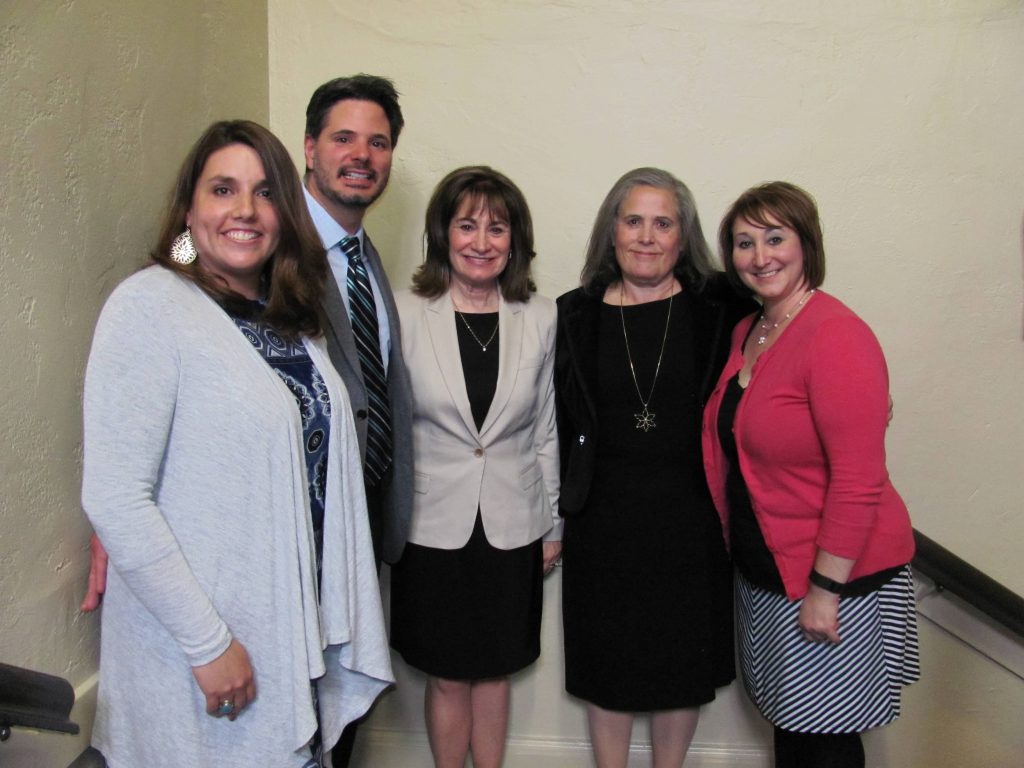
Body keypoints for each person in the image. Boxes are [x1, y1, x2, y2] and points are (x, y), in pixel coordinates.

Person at [81, 74, 415, 766]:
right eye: (223, 189)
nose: (246, 209)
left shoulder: (285, 315)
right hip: (205, 640)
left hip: (287, 617)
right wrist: (209, 644)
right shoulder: (150, 304)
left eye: (265, 193)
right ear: (189, 208)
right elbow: (116, 495)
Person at [703, 181, 919, 768]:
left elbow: (858, 479)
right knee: (795, 730)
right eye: (744, 243)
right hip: (770, 568)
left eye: (775, 238)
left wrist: (826, 590)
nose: (760, 256)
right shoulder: (751, 330)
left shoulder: (835, 333)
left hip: (831, 578)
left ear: (806, 244)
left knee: (825, 741)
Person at [555, 168, 754, 768]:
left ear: (682, 235)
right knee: (606, 664)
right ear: (611, 231)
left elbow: (786, 339)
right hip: (601, 520)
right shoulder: (573, 314)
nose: (646, 236)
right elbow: (549, 419)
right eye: (633, 221)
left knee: (680, 666)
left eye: (663, 223)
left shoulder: (722, 308)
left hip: (691, 520)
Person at [389, 166, 561, 768]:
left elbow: (545, 427)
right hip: (430, 525)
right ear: (443, 234)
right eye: (467, 226)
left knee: (495, 671)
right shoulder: (404, 313)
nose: (481, 242)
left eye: (497, 228)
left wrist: (553, 523)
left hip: (514, 522)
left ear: (515, 240)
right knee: (446, 674)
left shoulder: (541, 315)